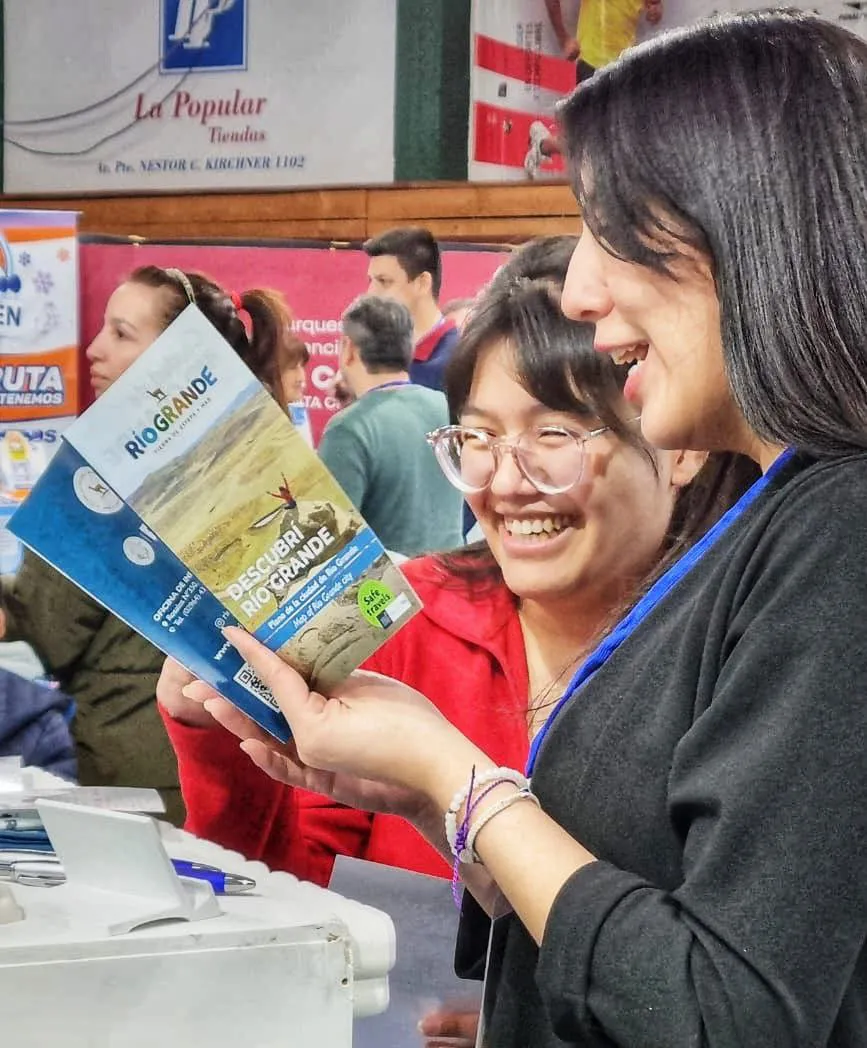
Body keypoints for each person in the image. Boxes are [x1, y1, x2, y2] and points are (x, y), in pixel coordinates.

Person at [172, 13, 867, 1046]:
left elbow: (724, 1009)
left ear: (750, 226)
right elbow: (645, 921)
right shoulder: (758, 521)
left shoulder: (836, 526)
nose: (582, 290)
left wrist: (455, 771)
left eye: (611, 229)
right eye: (479, 438)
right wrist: (429, 801)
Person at [157, 236, 754, 888]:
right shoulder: (394, 612)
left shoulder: (745, 658)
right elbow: (299, 898)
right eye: (478, 436)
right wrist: (218, 741)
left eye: (552, 434)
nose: (506, 480)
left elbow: (695, 963)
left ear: (679, 445)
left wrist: (440, 785)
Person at [0, 265, 302, 825]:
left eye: (121, 334)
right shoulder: (261, 451)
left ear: (178, 356)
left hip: (131, 776)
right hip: (248, 762)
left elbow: (48, 627)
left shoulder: (97, 477)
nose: (93, 350)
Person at [317, 294, 463, 558]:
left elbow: (327, 543)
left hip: (392, 594)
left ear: (348, 348)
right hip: (457, 583)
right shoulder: (447, 407)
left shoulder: (348, 430)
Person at [364, 227, 459, 392]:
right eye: (370, 281)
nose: (370, 293)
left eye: (384, 281)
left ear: (422, 283)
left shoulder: (459, 361)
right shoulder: (372, 357)